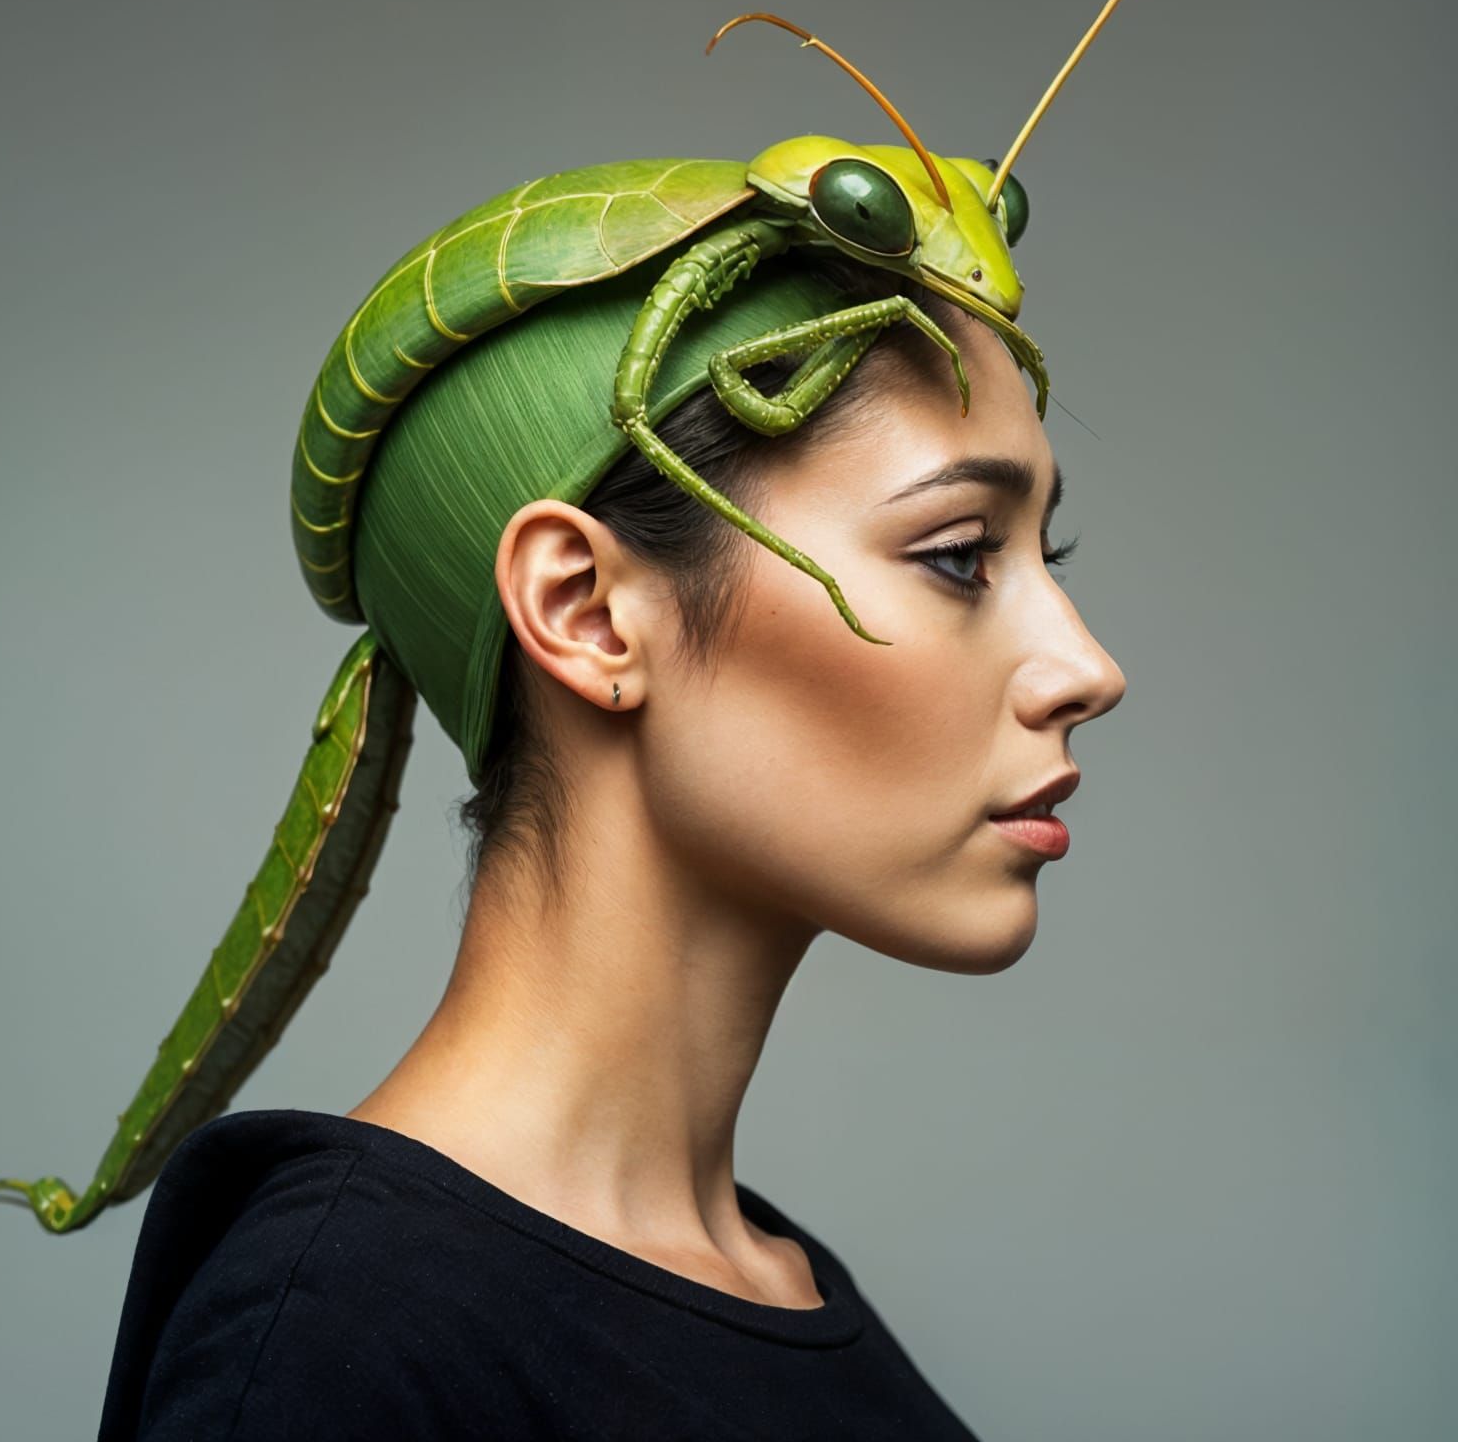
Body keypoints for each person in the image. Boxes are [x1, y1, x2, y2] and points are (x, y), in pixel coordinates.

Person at [89, 224, 1126, 1438]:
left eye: (1043, 554)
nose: (1087, 668)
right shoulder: (341, 1337)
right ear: (586, 612)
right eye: (959, 556)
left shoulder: (777, 1292)